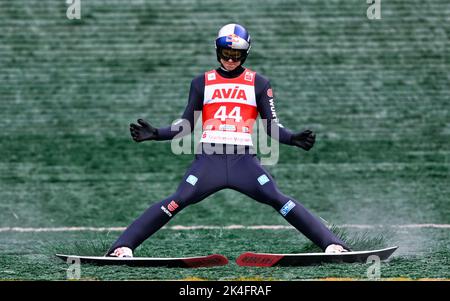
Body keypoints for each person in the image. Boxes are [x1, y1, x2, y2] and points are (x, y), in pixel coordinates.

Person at [107, 24, 349, 258]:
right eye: (226, 54)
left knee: (277, 198)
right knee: (178, 200)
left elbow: (271, 126)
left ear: (245, 54)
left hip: (242, 161)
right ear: (217, 51)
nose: (230, 60)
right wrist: (157, 133)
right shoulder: (201, 82)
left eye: (236, 55)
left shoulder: (259, 83)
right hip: (208, 161)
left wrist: (291, 138)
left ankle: (332, 245)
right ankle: (122, 248)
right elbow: (187, 124)